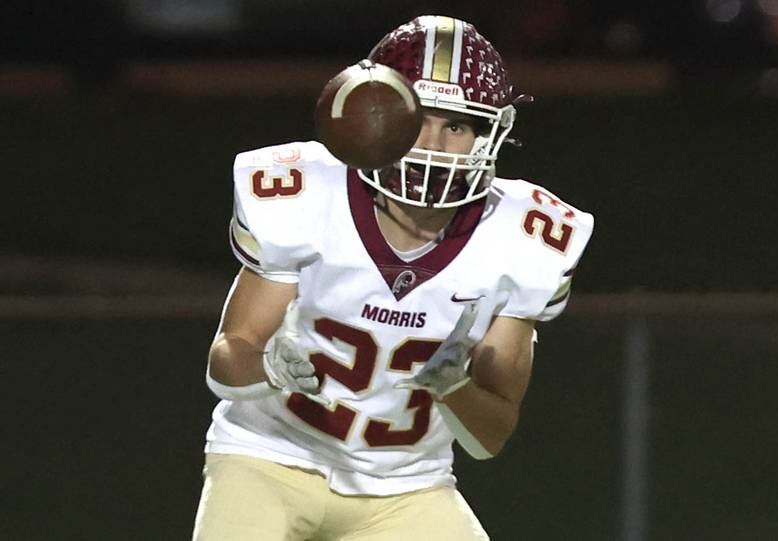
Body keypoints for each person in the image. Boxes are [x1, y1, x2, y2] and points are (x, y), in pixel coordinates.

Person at [192, 14, 594, 541]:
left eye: (457, 125)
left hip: (407, 488)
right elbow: (225, 362)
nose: (433, 143)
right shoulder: (307, 195)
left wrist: (455, 387)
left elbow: (489, 438)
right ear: (370, 113)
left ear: (488, 135)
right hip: (269, 458)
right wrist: (267, 364)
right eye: (420, 118)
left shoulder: (523, 238)